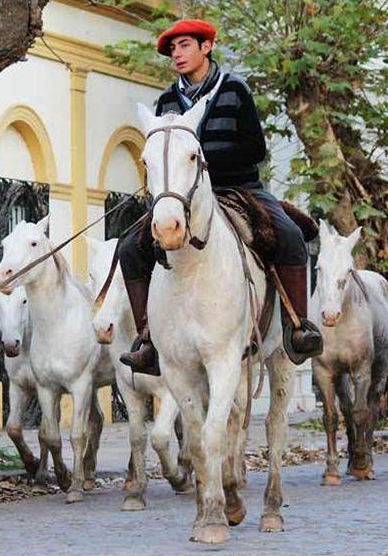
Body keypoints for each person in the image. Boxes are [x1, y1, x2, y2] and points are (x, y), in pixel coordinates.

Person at [119, 18, 323, 375]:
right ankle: (148, 341)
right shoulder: (167, 99)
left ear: (206, 47)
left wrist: (206, 162)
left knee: (290, 237)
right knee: (128, 248)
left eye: (184, 45)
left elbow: (255, 148)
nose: (177, 54)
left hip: (239, 187)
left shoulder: (235, 89)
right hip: (183, 195)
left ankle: (298, 326)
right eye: (172, 49)